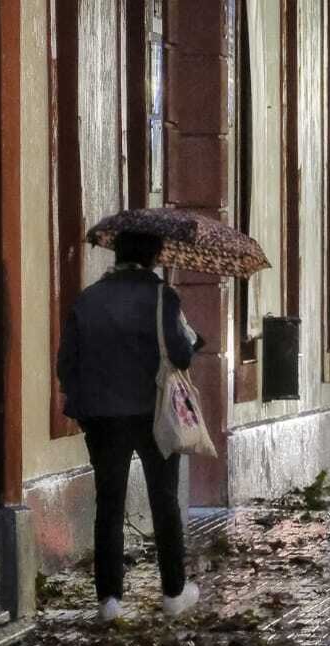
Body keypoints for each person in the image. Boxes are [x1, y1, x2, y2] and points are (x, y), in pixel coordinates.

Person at [57, 231, 202, 623]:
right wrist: (193, 342)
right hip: (153, 414)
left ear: (117, 254)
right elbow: (180, 355)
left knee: (109, 504)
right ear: (154, 256)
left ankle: (109, 600)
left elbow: (66, 363)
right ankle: (173, 591)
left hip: (102, 417)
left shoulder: (87, 300)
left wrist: (84, 405)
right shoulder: (162, 298)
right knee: (164, 500)